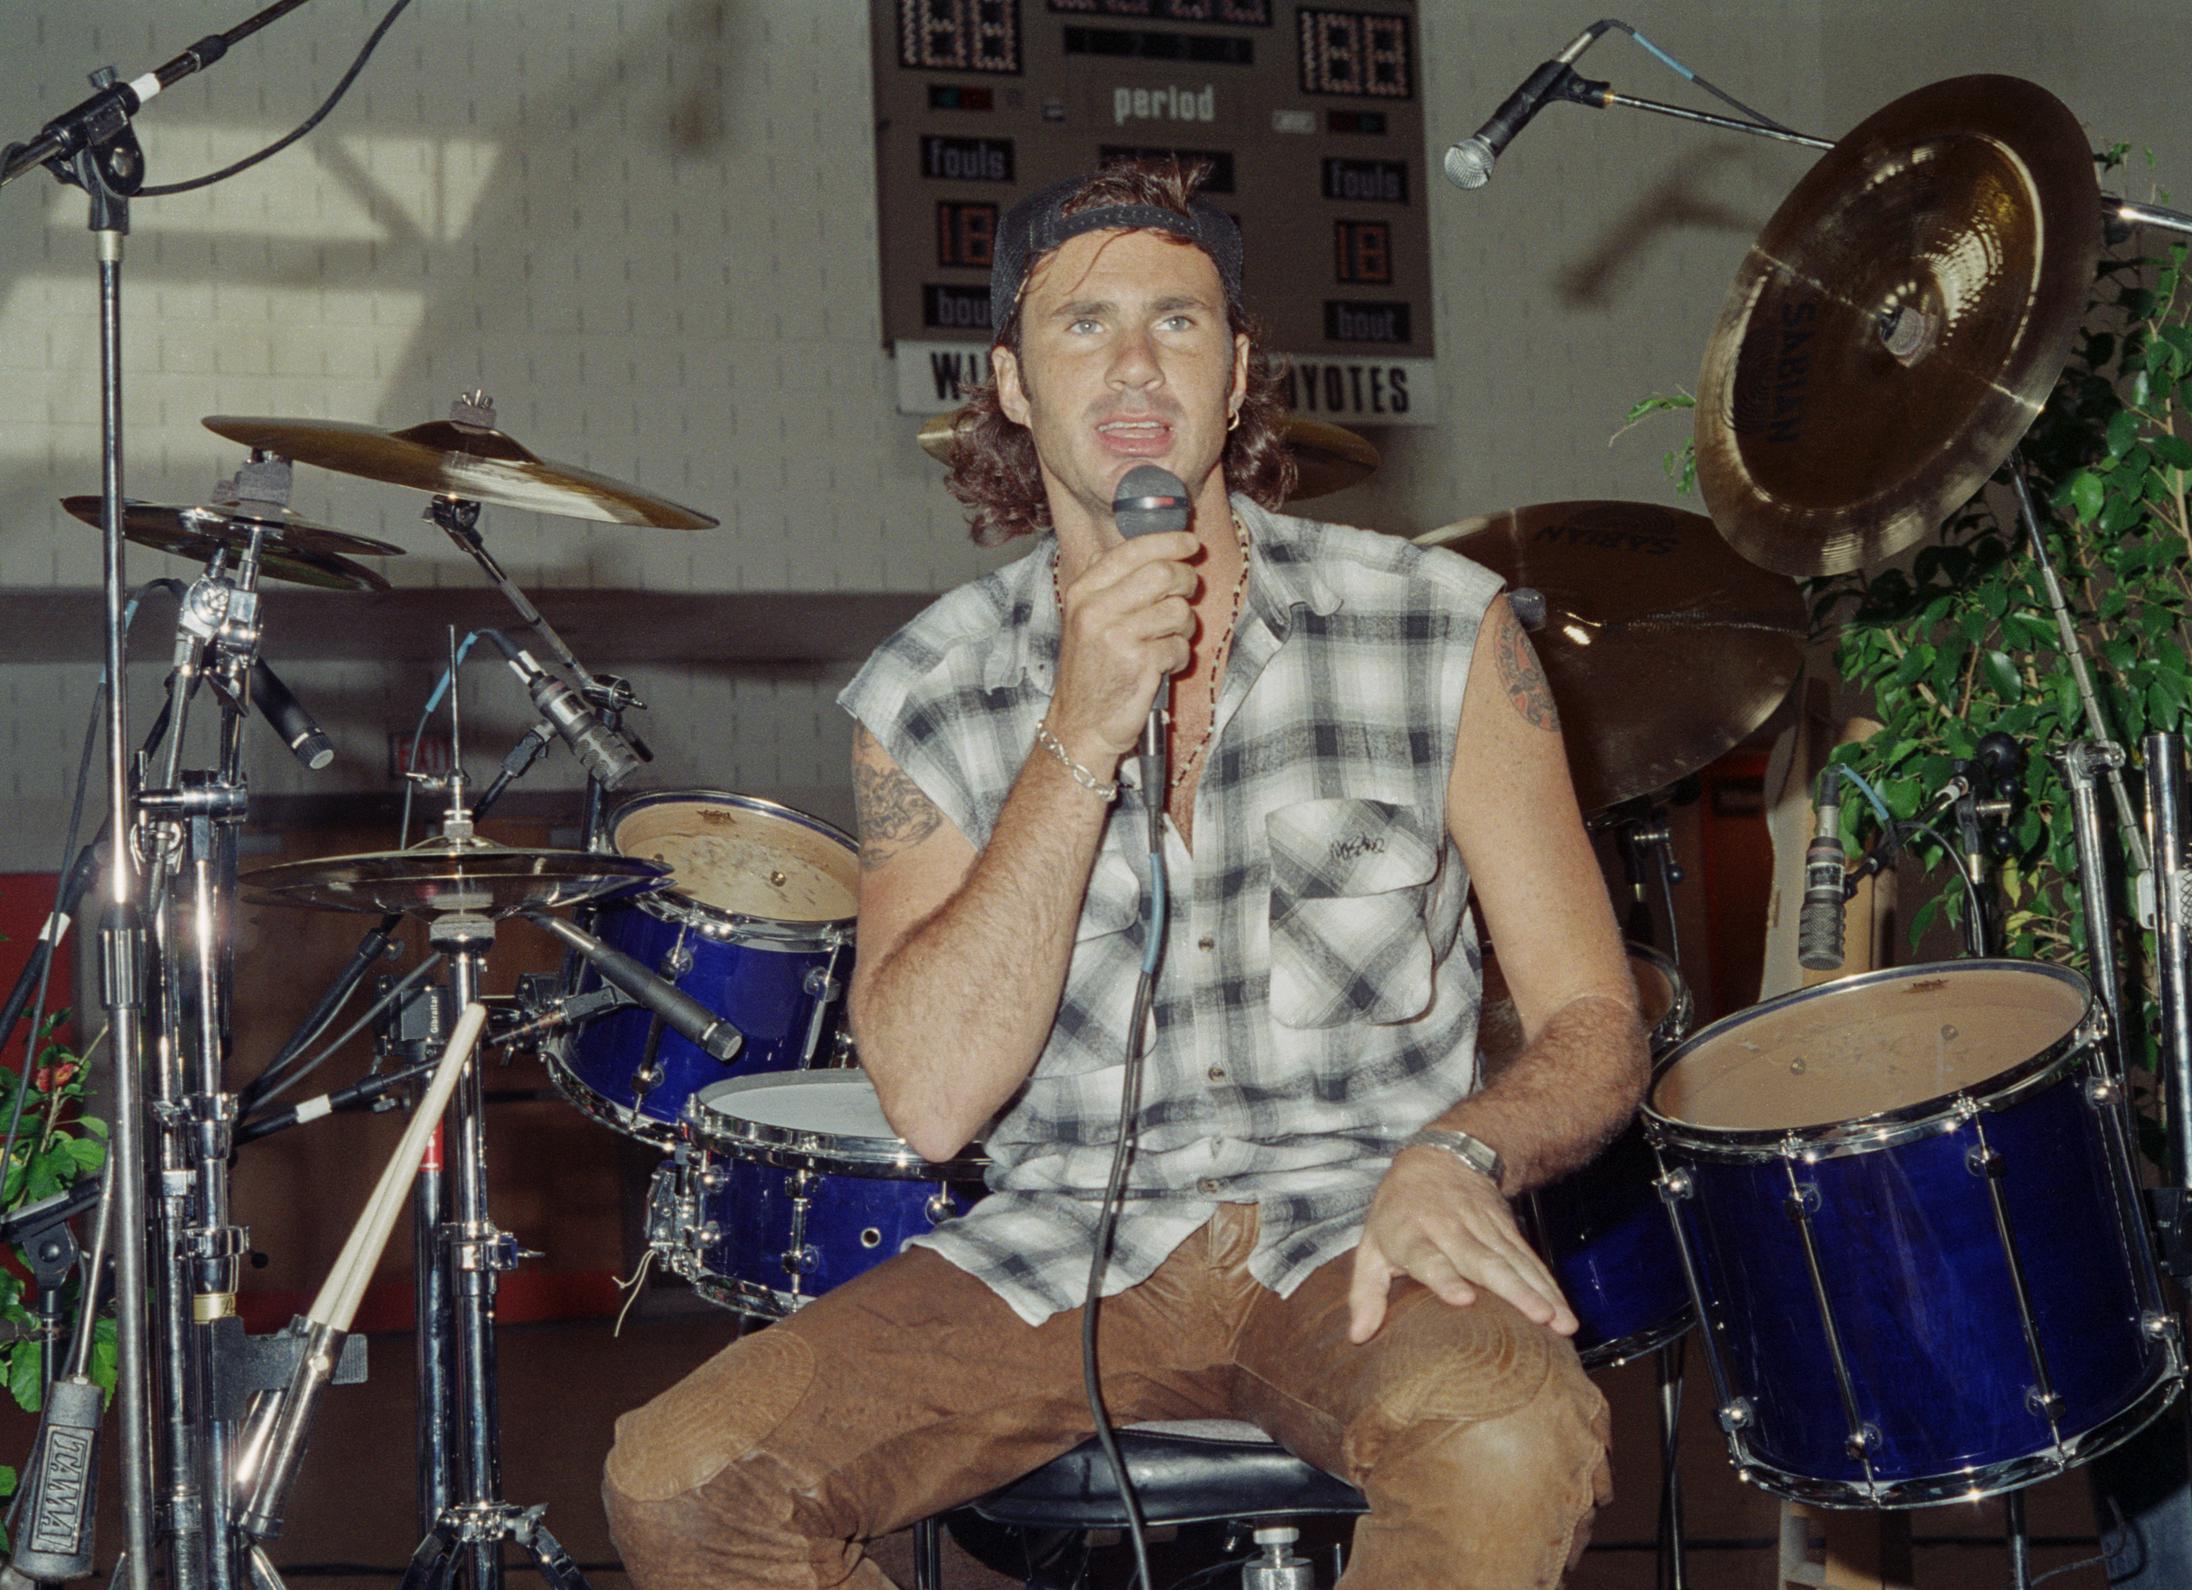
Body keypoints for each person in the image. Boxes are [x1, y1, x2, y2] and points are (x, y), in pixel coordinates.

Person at [602, 159, 1650, 1589]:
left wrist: (1460, 1152)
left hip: (1363, 1232)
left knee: (1511, 1441)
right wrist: (1078, 730)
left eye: (1180, 320)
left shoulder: (1439, 629)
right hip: (1058, 1255)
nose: (1137, 362)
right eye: (1084, 324)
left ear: (1239, 374)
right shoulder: (927, 692)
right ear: (1011, 382)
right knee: (683, 1480)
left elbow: (1595, 1020)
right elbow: (934, 1096)